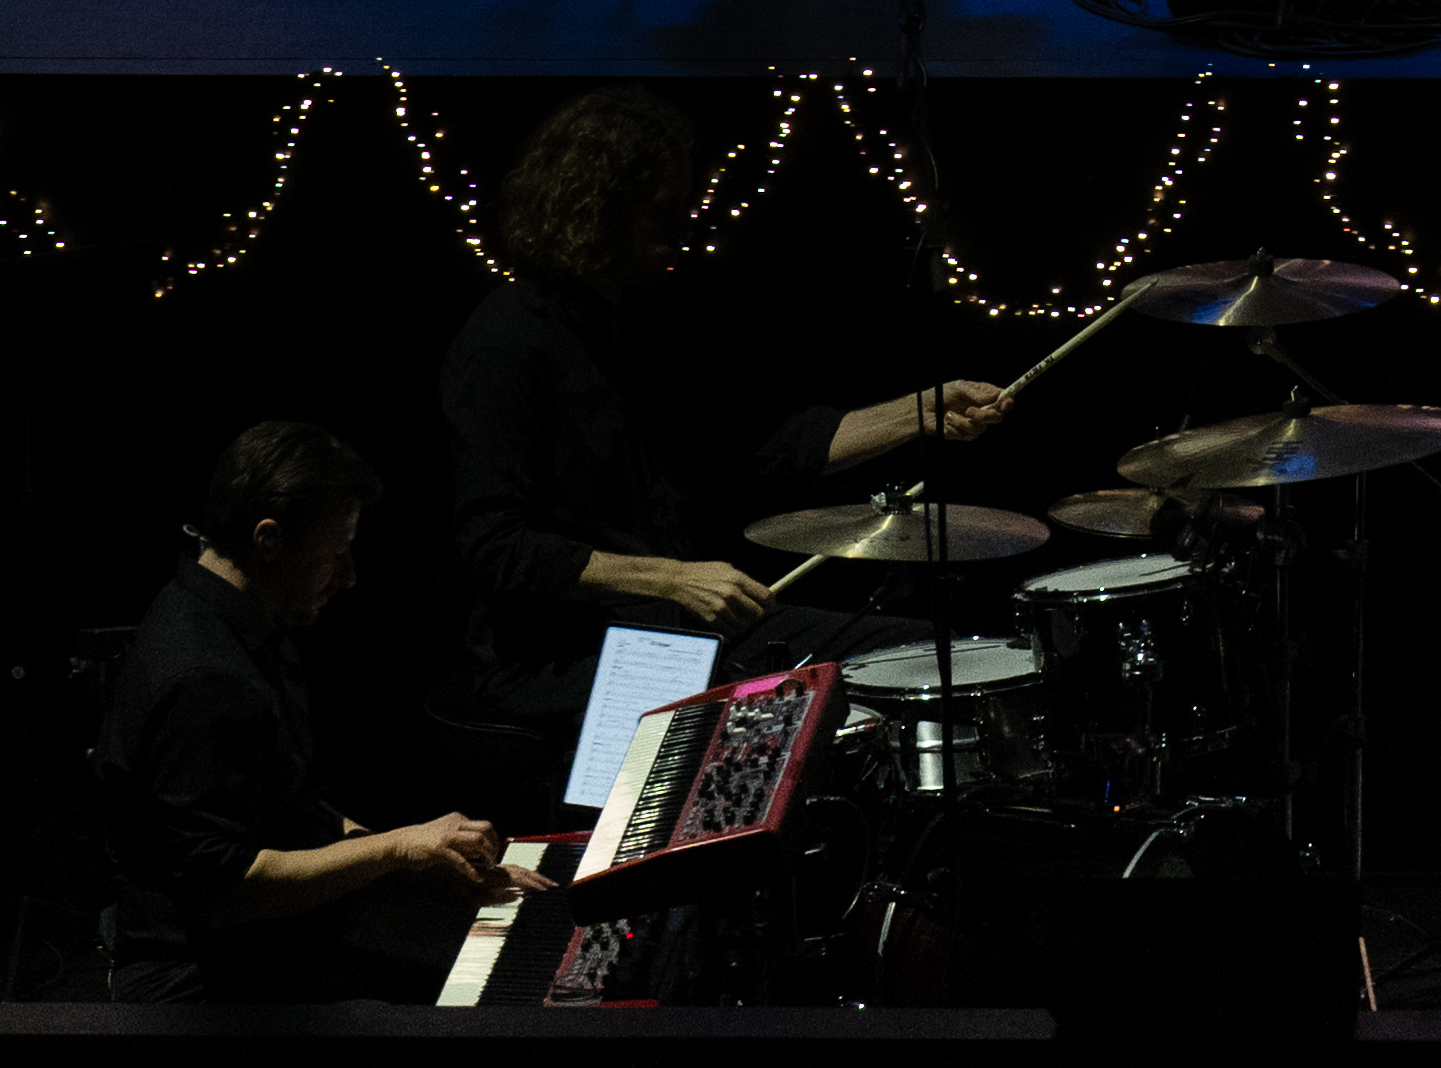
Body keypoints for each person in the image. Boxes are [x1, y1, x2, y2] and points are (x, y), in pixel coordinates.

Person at [430, 89, 1023, 806]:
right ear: (598, 203)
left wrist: (919, 413)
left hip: (678, 630)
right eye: (662, 208)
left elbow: (767, 446)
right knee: (712, 789)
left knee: (927, 656)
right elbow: (496, 544)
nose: (683, 225)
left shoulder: (651, 321)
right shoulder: (504, 343)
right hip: (567, 656)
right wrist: (670, 579)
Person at [90, 425, 516, 1005]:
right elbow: (227, 893)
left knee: (479, 961)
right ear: (268, 540)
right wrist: (394, 850)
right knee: (460, 1010)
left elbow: (288, 807)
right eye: (335, 551)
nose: (349, 576)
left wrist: (418, 860)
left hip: (267, 938)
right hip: (196, 978)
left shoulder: (246, 623)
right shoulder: (206, 677)